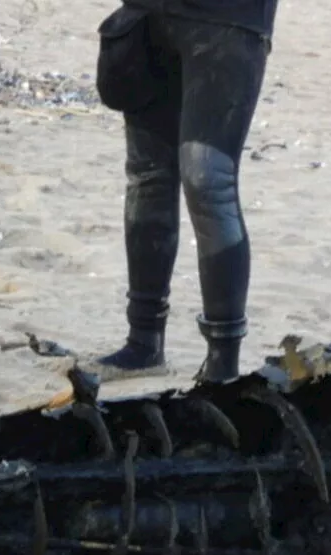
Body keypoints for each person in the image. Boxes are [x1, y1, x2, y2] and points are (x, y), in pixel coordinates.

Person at [88, 0, 279, 384]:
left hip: (229, 19)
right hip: (148, 15)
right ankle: (143, 341)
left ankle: (223, 362)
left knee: (208, 180)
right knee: (148, 174)